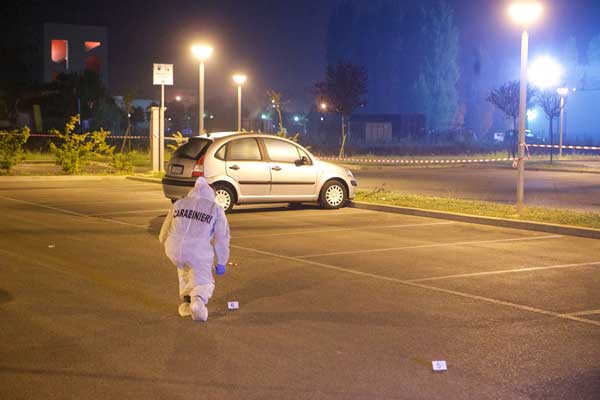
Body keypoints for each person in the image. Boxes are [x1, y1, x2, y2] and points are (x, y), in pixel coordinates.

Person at [159, 177, 230, 322]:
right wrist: (222, 261)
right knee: (204, 280)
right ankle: (197, 301)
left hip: (174, 248)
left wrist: (167, 243)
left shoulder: (179, 203)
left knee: (184, 270)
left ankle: (186, 302)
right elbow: (222, 237)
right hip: (198, 251)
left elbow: (164, 231)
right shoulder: (214, 209)